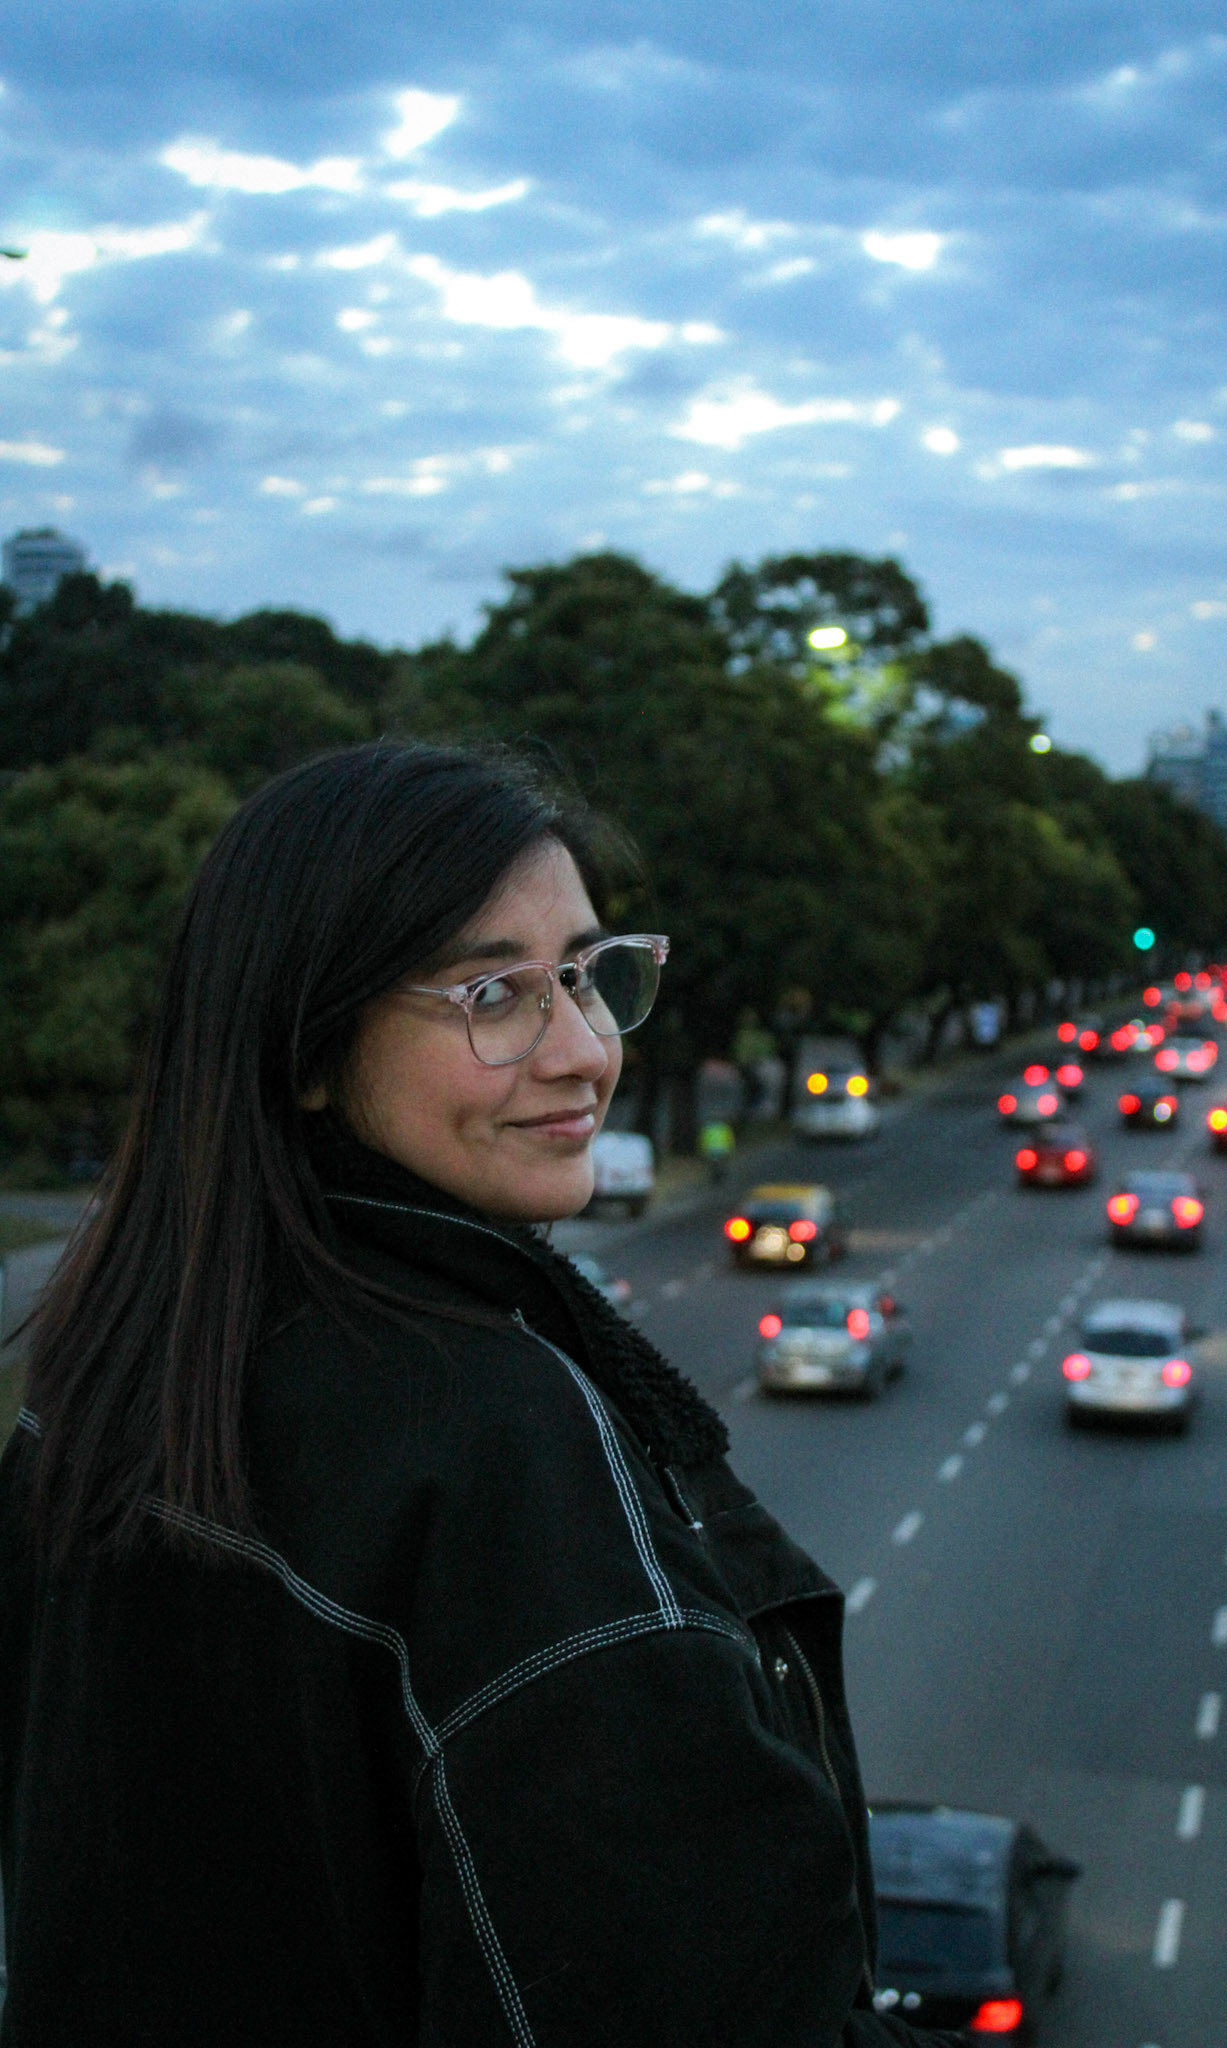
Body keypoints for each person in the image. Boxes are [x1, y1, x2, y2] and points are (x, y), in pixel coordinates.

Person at [0, 742, 960, 2046]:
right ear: (306, 1051)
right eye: (494, 994)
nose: (583, 1052)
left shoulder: (110, 1366)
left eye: (586, 975)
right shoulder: (494, 1443)